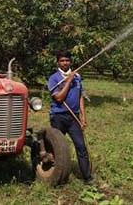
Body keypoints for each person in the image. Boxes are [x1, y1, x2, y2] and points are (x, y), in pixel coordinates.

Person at [47, 50, 93, 183]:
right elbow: (59, 98)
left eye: (67, 60)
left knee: (81, 147)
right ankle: (55, 176)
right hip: (58, 116)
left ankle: (87, 177)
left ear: (70, 62)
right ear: (58, 63)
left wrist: (83, 116)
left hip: (74, 118)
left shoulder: (78, 77)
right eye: (62, 60)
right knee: (57, 149)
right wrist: (68, 81)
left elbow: (80, 98)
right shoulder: (53, 78)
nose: (65, 63)